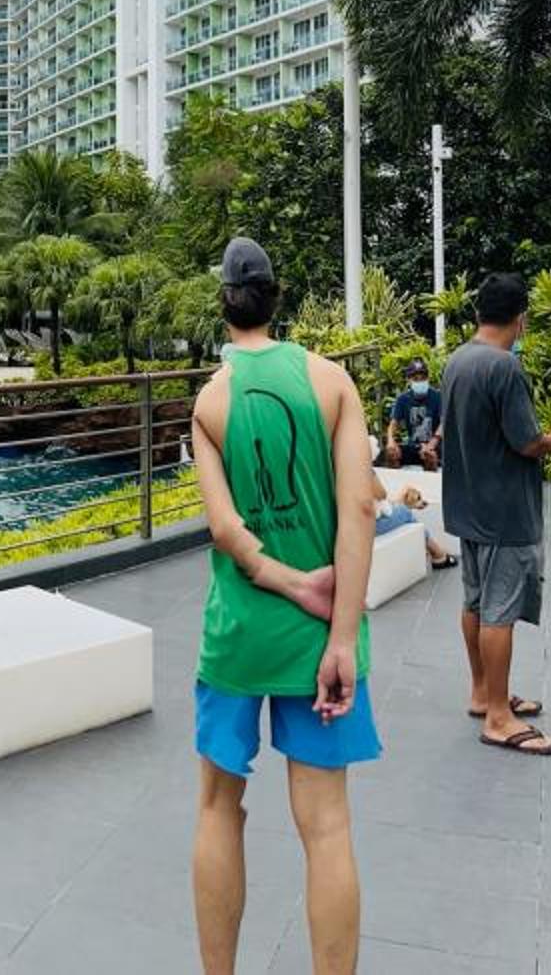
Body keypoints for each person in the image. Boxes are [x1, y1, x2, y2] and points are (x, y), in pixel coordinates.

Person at [187, 237, 379, 975]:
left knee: (216, 808)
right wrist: (339, 631)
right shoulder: (332, 383)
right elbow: (358, 509)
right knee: (326, 826)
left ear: (225, 305)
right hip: (320, 637)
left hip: (240, 634)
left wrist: (283, 579)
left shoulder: (211, 401)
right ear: (277, 298)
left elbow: (226, 531)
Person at [441, 272, 551, 756]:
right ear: (521, 318)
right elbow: (527, 442)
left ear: (479, 312)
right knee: (500, 612)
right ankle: (499, 717)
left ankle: (483, 692)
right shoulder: (504, 368)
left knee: (476, 603)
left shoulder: (457, 360)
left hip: (468, 506)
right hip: (504, 511)